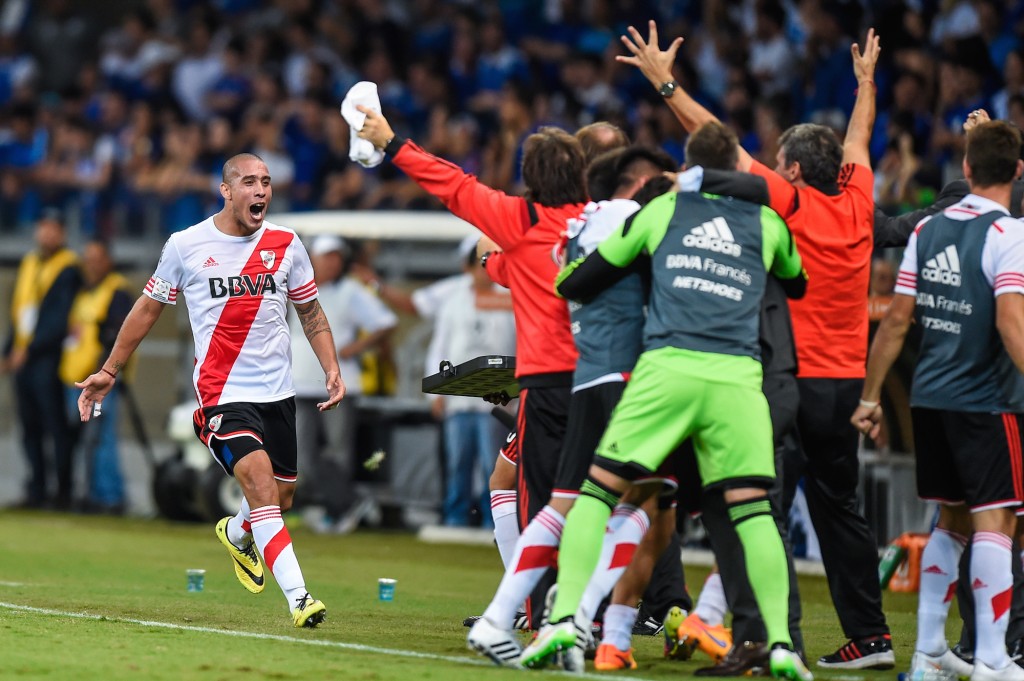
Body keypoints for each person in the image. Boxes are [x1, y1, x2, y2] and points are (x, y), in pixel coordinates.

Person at [617, 21, 894, 669]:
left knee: (757, 511)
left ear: (793, 169)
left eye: (777, 162)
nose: (768, 167)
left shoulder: (789, 202)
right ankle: (872, 638)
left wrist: (664, 82)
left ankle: (777, 639)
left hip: (788, 384)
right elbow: (859, 137)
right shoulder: (858, 200)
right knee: (842, 512)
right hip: (844, 390)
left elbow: (716, 143)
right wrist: (865, 85)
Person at [519, 120, 810, 680]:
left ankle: (561, 623)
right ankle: (777, 643)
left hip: (666, 372)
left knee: (597, 494)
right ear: (739, 166)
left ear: (690, 165)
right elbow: (796, 281)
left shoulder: (659, 212)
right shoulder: (767, 222)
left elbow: (580, 280)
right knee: (753, 514)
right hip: (737, 381)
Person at [75, 153, 344, 628]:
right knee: (261, 486)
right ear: (225, 190)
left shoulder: (287, 243)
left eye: (265, 182)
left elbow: (310, 311)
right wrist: (110, 370)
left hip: (277, 394)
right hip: (222, 394)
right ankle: (301, 599)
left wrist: (331, 367)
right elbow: (146, 308)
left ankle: (238, 532)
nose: (260, 190)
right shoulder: (186, 244)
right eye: (248, 182)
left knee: (282, 498)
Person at [355, 105, 586, 627]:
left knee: (531, 495)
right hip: (610, 380)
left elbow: (452, 185)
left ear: (533, 179)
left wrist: (391, 141)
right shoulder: (602, 220)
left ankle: (539, 610)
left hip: (549, 383)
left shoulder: (521, 221)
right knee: (600, 496)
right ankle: (605, 612)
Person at [465, 145, 680, 668]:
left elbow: (494, 258)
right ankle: (585, 618)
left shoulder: (570, 230)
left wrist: (494, 246)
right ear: (636, 183)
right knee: (641, 504)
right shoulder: (634, 217)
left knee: (565, 503)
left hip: (580, 379)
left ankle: (527, 616)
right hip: (633, 383)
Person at [851, 120, 1024, 681]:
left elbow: (897, 321)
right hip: (987, 400)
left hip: (929, 399)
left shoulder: (929, 230)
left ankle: (928, 654)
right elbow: (1010, 321)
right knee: (997, 523)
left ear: (965, 169)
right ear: (1018, 172)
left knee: (950, 523)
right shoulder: (1010, 235)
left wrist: (871, 397)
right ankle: (994, 658)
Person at [289, 233, 397, 534]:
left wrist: (354, 348)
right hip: (298, 381)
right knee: (302, 456)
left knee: (338, 452)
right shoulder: (294, 286)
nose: (333, 262)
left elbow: (385, 322)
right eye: (327, 256)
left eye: (337, 256)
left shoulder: (350, 291)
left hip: (338, 383)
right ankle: (342, 504)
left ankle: (338, 508)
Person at [425, 237, 515, 528]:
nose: (482, 271)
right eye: (478, 265)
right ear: (468, 268)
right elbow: (440, 347)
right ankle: (456, 517)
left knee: (495, 463)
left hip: (496, 397)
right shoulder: (453, 300)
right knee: (458, 463)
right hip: (458, 397)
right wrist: (434, 394)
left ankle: (495, 521)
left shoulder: (510, 298)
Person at [3, 210, 81, 509]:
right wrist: (9, 350)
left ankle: (61, 492)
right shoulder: (30, 262)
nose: (47, 234)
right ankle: (36, 488)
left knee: (55, 426)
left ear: (62, 233)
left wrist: (28, 350)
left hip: (48, 359)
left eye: (53, 229)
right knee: (30, 427)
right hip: (24, 358)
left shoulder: (68, 268)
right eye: (43, 227)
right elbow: (20, 312)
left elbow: (56, 320)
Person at [59, 239, 132, 513]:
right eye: (87, 257)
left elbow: (116, 337)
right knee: (86, 440)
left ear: (108, 261)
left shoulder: (117, 292)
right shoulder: (83, 291)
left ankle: (110, 498)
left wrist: (105, 374)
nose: (91, 263)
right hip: (74, 381)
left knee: (101, 438)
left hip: (100, 384)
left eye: (97, 258)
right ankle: (91, 494)